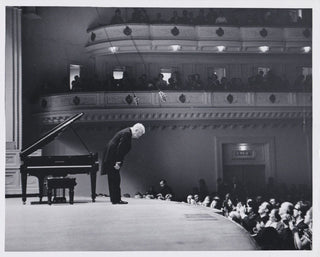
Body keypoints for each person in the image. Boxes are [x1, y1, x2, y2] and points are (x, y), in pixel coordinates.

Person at [101, 123, 145, 204]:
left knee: (113, 179)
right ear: (136, 130)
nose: (138, 137)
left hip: (110, 157)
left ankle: (115, 199)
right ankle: (116, 200)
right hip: (113, 158)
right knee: (115, 179)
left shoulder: (126, 132)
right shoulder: (127, 134)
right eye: (139, 134)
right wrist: (117, 162)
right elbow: (120, 149)